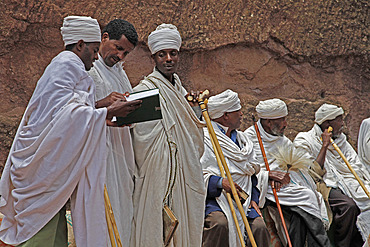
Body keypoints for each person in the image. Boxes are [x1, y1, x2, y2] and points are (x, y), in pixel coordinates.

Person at [0, 16, 141, 247]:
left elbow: (67, 112)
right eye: (94, 50)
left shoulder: (72, 66)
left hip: (53, 170)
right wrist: (104, 113)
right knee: (39, 232)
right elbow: (61, 119)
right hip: (42, 168)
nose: (96, 57)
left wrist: (104, 114)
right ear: (80, 45)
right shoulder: (65, 64)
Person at [130, 24, 206, 247]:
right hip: (157, 173)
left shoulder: (180, 92)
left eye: (173, 53)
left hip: (182, 172)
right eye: (162, 54)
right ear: (154, 58)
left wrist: (193, 109)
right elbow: (140, 139)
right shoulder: (143, 90)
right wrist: (166, 152)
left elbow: (191, 136)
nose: (168, 59)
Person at [244, 99, 330, 247]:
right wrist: (268, 176)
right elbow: (247, 171)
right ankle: (323, 243)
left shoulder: (282, 139)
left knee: (302, 209)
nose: (286, 124)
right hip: (264, 188)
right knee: (307, 196)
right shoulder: (249, 138)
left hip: (284, 186)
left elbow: (294, 166)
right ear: (269, 122)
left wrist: (284, 175)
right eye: (282, 120)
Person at [87, 19, 138, 247]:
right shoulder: (88, 68)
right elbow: (73, 113)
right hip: (99, 153)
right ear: (104, 37)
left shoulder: (119, 71)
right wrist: (104, 105)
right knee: (103, 215)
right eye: (118, 48)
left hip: (121, 149)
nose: (120, 56)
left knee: (124, 212)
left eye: (125, 53)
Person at [294, 103, 369, 247]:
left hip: (348, 182)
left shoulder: (342, 140)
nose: (342, 124)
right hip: (323, 184)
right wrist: (324, 146)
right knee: (349, 206)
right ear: (327, 123)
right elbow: (312, 172)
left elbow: (355, 164)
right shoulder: (304, 140)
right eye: (339, 120)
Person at [201, 89, 270, 247]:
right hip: (215, 200)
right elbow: (197, 173)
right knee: (219, 224)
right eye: (237, 111)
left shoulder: (243, 140)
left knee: (259, 227)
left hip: (243, 200)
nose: (241, 115)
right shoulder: (204, 138)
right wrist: (220, 183)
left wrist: (253, 199)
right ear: (226, 115)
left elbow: (250, 174)